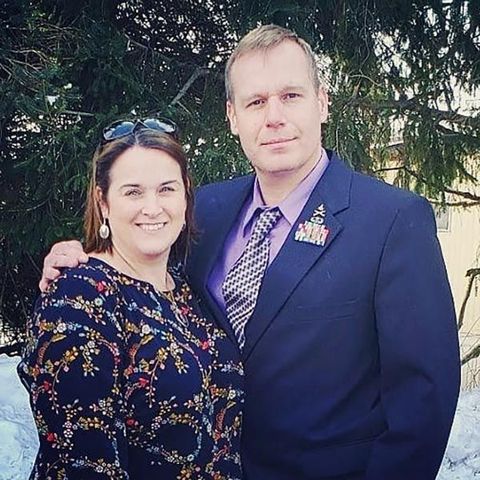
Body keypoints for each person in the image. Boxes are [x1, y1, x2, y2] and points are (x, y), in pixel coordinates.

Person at [39, 25, 460, 480]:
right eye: (255, 102)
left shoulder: (392, 220)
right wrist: (79, 258)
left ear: (322, 102)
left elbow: (424, 399)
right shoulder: (207, 210)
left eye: (290, 96)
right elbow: (140, 277)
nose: (273, 116)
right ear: (233, 116)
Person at [19, 120, 244, 479]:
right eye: (133, 192)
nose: (152, 207)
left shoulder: (187, 289)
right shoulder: (80, 297)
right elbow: (84, 463)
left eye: (166, 189)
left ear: (185, 196)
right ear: (102, 202)